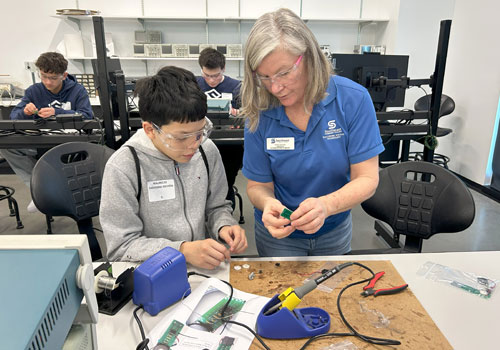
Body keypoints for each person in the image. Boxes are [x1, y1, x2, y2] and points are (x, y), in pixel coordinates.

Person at [240, 8, 384, 257]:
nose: (275, 87)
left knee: (331, 291)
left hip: (333, 229)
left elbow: (367, 179)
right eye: (264, 76)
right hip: (279, 235)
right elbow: (257, 185)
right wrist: (267, 203)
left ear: (309, 57)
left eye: (284, 73)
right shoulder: (260, 110)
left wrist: (326, 206)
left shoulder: (353, 100)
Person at [100, 66, 247, 269]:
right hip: (152, 272)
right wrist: (182, 250)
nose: (194, 145)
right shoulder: (124, 166)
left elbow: (217, 206)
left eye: (200, 132)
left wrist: (224, 224)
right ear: (150, 130)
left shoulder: (206, 150)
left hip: (202, 268)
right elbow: (122, 247)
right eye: (181, 138)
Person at [0, 52, 93, 212]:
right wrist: (26, 112)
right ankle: (39, 191)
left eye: (53, 78)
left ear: (64, 75)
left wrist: (57, 113)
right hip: (40, 140)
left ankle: (58, 191)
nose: (47, 82)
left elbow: (87, 116)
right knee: (8, 147)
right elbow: (15, 116)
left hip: (69, 144)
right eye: (43, 76)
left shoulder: (78, 91)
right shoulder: (34, 91)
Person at [196, 47, 244, 208]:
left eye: (216, 75)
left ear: (223, 69)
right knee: (200, 184)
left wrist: (240, 112)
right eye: (207, 75)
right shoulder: (194, 85)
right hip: (200, 144)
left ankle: (227, 219)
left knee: (225, 184)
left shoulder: (237, 87)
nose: (211, 80)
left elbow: (251, 112)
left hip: (229, 145)